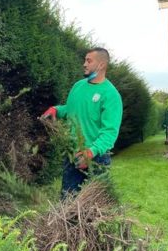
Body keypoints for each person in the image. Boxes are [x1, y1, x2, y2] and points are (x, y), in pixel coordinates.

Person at [41, 48, 123, 198]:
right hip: (73, 153)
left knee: (97, 205)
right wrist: (56, 110)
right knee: (68, 202)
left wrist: (91, 152)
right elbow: (72, 109)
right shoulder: (78, 86)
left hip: (97, 157)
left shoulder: (110, 95)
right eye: (85, 60)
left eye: (89, 61)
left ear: (102, 65)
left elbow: (110, 132)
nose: (84, 64)